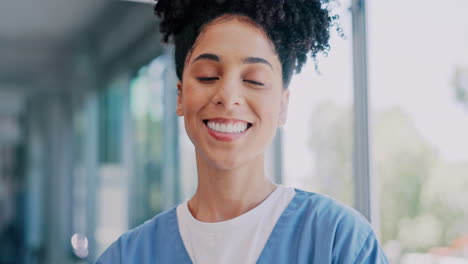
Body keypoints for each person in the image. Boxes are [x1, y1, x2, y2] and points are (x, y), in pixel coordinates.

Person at [96, 0, 389, 263]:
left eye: (254, 80)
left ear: (283, 106)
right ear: (180, 96)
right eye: (208, 76)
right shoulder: (128, 256)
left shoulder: (338, 241)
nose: (228, 95)